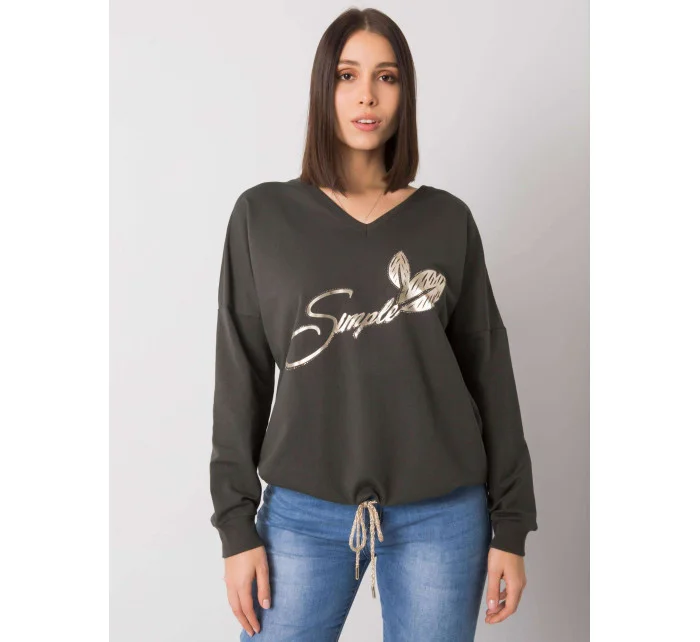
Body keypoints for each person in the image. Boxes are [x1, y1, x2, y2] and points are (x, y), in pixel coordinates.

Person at [209, 7, 538, 641]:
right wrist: (235, 528)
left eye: (386, 77)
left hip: (442, 518)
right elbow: (240, 375)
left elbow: (490, 374)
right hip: (301, 517)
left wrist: (512, 526)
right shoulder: (263, 216)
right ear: (322, 89)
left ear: (404, 92)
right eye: (347, 75)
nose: (367, 95)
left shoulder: (447, 221)